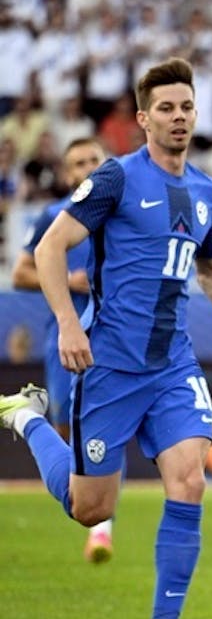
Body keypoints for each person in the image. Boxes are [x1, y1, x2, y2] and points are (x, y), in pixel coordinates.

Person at [0, 58, 212, 619]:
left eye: (186, 106)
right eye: (166, 108)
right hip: (108, 365)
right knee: (92, 510)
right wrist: (65, 323)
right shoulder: (114, 179)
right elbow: (51, 248)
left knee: (190, 478)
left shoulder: (208, 191)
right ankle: (27, 418)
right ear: (142, 118)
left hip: (173, 365)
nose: (178, 116)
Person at [10, 136, 115, 562]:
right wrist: (67, 283)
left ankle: (102, 529)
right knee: (69, 433)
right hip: (67, 337)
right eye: (78, 163)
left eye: (94, 159)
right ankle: (26, 418)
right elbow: (20, 273)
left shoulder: (123, 214)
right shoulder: (56, 217)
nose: (87, 167)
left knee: (109, 425)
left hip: (115, 338)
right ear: (68, 174)